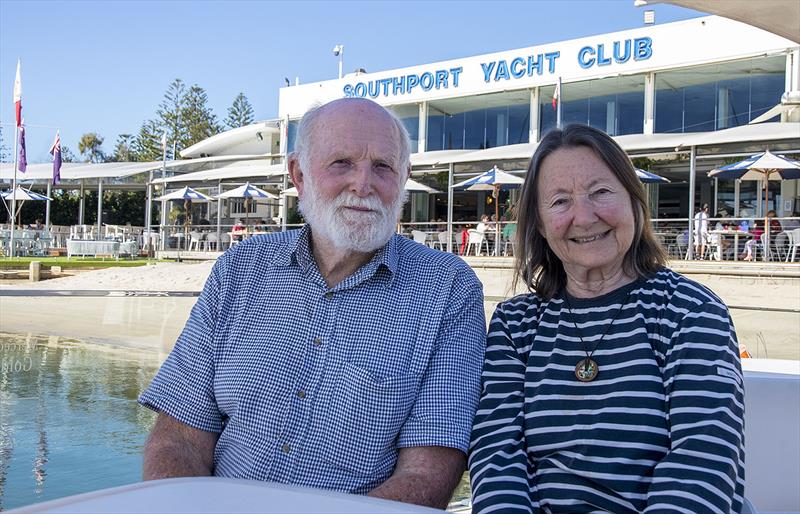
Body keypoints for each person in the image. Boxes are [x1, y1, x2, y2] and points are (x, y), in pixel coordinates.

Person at [138, 98, 486, 509]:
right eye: (341, 163)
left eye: (383, 167)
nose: (363, 184)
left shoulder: (448, 290)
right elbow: (178, 439)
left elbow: (426, 476)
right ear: (298, 174)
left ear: (404, 179)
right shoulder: (239, 270)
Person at [468, 124, 745, 514]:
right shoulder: (517, 325)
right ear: (541, 226)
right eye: (560, 201)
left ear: (634, 201)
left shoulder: (689, 310)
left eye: (600, 192)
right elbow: (498, 456)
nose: (583, 217)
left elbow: (702, 460)